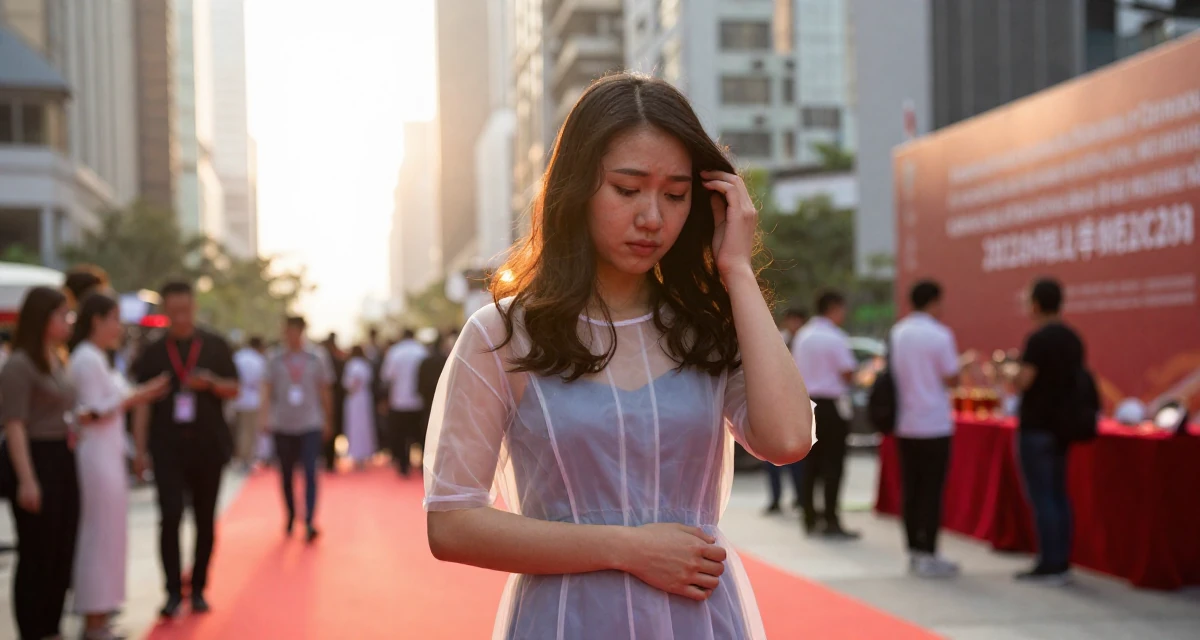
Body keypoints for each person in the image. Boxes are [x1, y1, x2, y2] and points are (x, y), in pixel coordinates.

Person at [423, 73, 815, 639]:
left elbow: (788, 440)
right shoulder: (502, 335)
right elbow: (452, 524)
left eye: (675, 194)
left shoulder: (708, 329)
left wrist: (735, 269)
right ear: (578, 189)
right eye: (628, 190)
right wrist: (628, 548)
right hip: (566, 621)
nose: (652, 217)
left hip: (697, 620)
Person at [131, 281, 240, 617]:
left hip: (208, 445)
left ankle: (199, 588)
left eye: (186, 310)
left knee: (205, 519)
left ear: (194, 307)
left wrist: (210, 383)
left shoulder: (215, 344)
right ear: (164, 311)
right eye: (173, 311)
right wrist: (138, 450)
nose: (180, 317)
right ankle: (172, 591)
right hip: (167, 447)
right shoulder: (152, 351)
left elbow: (234, 388)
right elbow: (142, 402)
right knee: (170, 516)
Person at [66, 293, 170, 639]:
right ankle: (93, 618)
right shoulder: (85, 359)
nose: (118, 327)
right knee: (98, 535)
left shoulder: (99, 358)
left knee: (110, 534)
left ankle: (102, 613)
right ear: (96, 320)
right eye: (113, 319)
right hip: (95, 455)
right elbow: (94, 409)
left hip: (108, 452)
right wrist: (139, 395)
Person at [0, 287, 78, 640]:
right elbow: (15, 425)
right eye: (62, 314)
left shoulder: (58, 357)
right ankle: (33, 630)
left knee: (62, 547)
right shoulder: (19, 364)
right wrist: (27, 480)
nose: (68, 321)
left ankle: (52, 626)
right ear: (42, 317)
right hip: (34, 457)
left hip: (63, 455)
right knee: (36, 552)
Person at [1012, 277, 1084, 585]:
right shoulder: (1072, 338)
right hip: (1062, 427)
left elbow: (1025, 381)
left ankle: (1050, 563)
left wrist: (1009, 375)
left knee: (1043, 497)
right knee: (1058, 494)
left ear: (1037, 304)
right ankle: (1061, 560)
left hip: (1038, 426)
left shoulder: (1039, 340)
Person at [890, 280, 964, 578]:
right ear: (933, 302)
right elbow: (952, 379)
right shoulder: (940, 334)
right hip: (934, 423)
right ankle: (929, 552)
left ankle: (913, 550)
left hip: (905, 422)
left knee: (911, 489)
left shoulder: (899, 332)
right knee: (931, 491)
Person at [792, 290, 859, 539]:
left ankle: (809, 517)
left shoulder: (804, 336)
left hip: (807, 403)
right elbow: (848, 372)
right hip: (831, 406)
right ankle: (830, 518)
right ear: (833, 307)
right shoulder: (835, 336)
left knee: (811, 463)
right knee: (834, 464)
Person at [260, 316, 333, 542]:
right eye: (287, 331)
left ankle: (310, 520)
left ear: (301, 331)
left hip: (310, 422)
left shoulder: (317, 357)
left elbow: (325, 390)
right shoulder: (274, 358)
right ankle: (291, 514)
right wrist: (264, 417)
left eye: (295, 331)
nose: (290, 335)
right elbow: (267, 389)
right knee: (286, 473)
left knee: (311, 472)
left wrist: (329, 419)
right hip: (283, 423)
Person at [763, 308, 808, 514]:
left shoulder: (807, 342)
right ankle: (775, 498)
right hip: (776, 402)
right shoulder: (778, 339)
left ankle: (800, 496)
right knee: (770, 454)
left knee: (798, 455)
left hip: (798, 403)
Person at [380, 329, 427, 476]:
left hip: (398, 401)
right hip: (418, 401)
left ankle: (403, 465)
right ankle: (422, 464)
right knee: (420, 435)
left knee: (400, 435)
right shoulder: (422, 351)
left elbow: (387, 377)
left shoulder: (395, 352)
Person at [232, 336, 268, 471]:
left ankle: (239, 458)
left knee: (240, 431)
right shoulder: (258, 360)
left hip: (238, 399)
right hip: (252, 400)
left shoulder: (238, 356)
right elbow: (261, 381)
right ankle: (245, 459)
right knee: (249, 432)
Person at [342, 346, 377, 469]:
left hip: (355, 398)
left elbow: (351, 382)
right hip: (363, 398)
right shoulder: (364, 365)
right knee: (363, 426)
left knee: (356, 426)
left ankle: (358, 455)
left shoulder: (352, 364)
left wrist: (351, 389)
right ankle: (363, 454)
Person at [320, 332, 346, 472]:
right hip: (333, 400)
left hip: (333, 400)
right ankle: (328, 459)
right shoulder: (328, 360)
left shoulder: (333, 360)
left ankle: (327, 458)